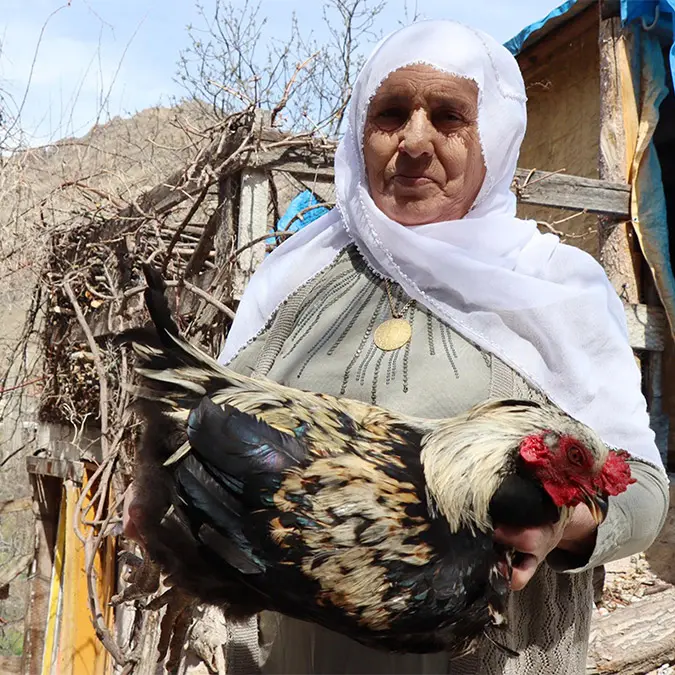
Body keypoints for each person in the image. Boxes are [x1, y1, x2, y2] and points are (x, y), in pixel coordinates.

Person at [125, 19, 670, 675]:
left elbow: (640, 488)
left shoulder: (555, 287)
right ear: (360, 131)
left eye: (447, 118)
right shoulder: (297, 277)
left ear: (491, 133)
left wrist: (568, 522)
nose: (415, 141)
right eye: (390, 114)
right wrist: (162, 488)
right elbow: (206, 433)